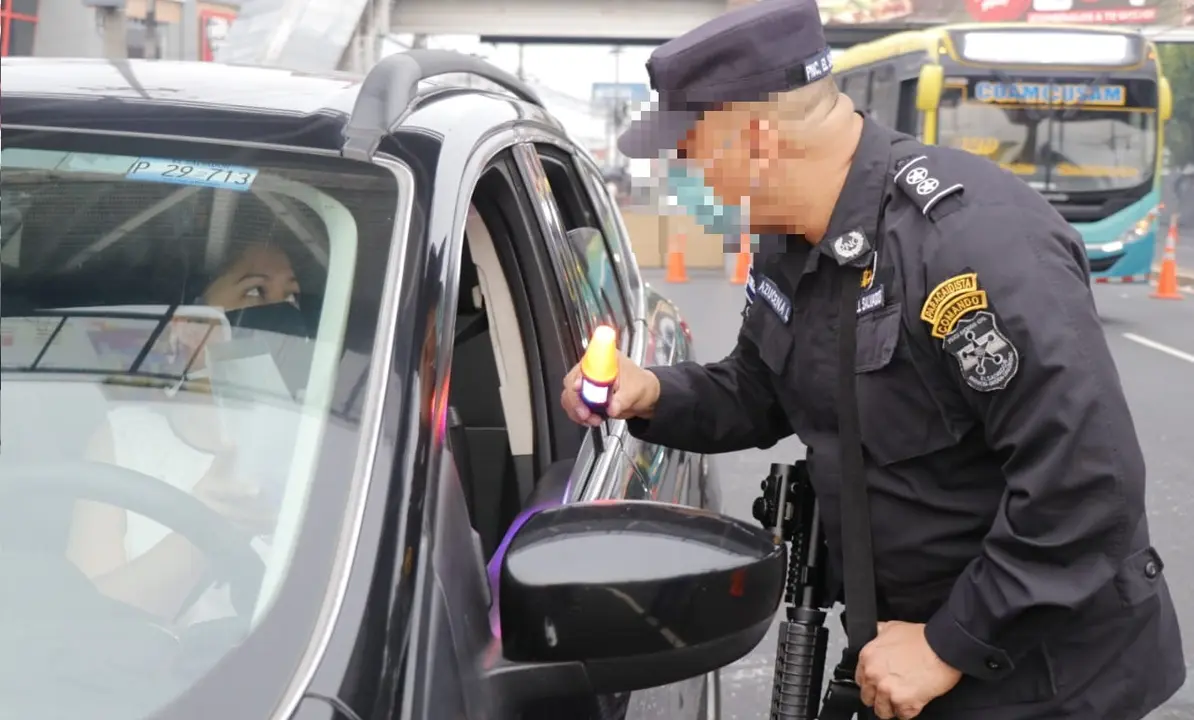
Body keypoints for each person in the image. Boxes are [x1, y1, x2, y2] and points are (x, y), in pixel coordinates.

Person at [559, 1, 1186, 718]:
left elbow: (1087, 481)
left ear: (756, 139)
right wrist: (649, 392)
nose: (690, 180)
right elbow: (760, 389)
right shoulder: (792, 240)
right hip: (903, 648)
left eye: (690, 154)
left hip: (1041, 675)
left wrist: (949, 644)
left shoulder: (969, 242)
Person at [66, 241, 302, 625]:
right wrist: (206, 527)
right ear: (189, 327)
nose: (280, 313)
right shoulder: (123, 439)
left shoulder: (320, 445)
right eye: (255, 291)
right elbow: (86, 623)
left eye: (291, 298)